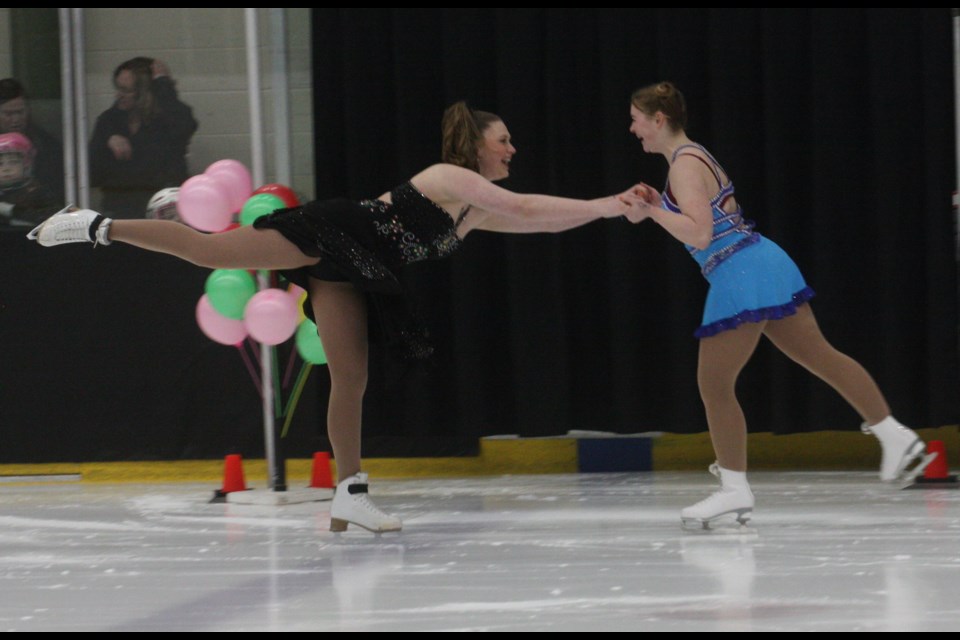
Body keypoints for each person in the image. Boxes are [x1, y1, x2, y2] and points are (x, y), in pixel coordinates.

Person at [28, 101, 640, 533]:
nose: (511, 148)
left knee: (352, 377)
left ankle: (350, 494)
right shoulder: (454, 178)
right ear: (476, 145)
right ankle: (93, 225)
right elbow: (527, 202)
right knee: (210, 250)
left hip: (356, 267)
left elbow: (535, 219)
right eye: (502, 139)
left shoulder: (471, 211)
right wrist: (610, 201)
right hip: (333, 233)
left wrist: (609, 212)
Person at [623, 81, 933, 530]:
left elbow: (700, 234)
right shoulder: (694, 156)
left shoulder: (683, 166)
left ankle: (734, 489)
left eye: (636, 119)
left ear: (659, 119)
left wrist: (652, 212)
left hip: (740, 271)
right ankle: (895, 434)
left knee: (714, 384)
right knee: (821, 357)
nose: (633, 129)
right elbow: (702, 220)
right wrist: (658, 204)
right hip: (761, 261)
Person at [89, 57, 198, 219]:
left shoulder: (165, 120)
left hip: (162, 210)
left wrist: (163, 85)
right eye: (118, 88)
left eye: (127, 90)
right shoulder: (109, 122)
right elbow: (92, 174)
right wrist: (106, 140)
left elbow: (185, 125)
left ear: (146, 92)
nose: (119, 95)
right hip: (120, 211)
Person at [0, 78, 65, 203]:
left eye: (20, 112)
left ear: (28, 110)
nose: (15, 119)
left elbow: (57, 188)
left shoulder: (46, 144)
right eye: (8, 114)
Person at [0, 132, 62, 227]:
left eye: (13, 162)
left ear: (26, 165)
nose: (6, 168)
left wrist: (10, 210)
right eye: (0, 164)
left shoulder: (38, 194)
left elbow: (53, 221)